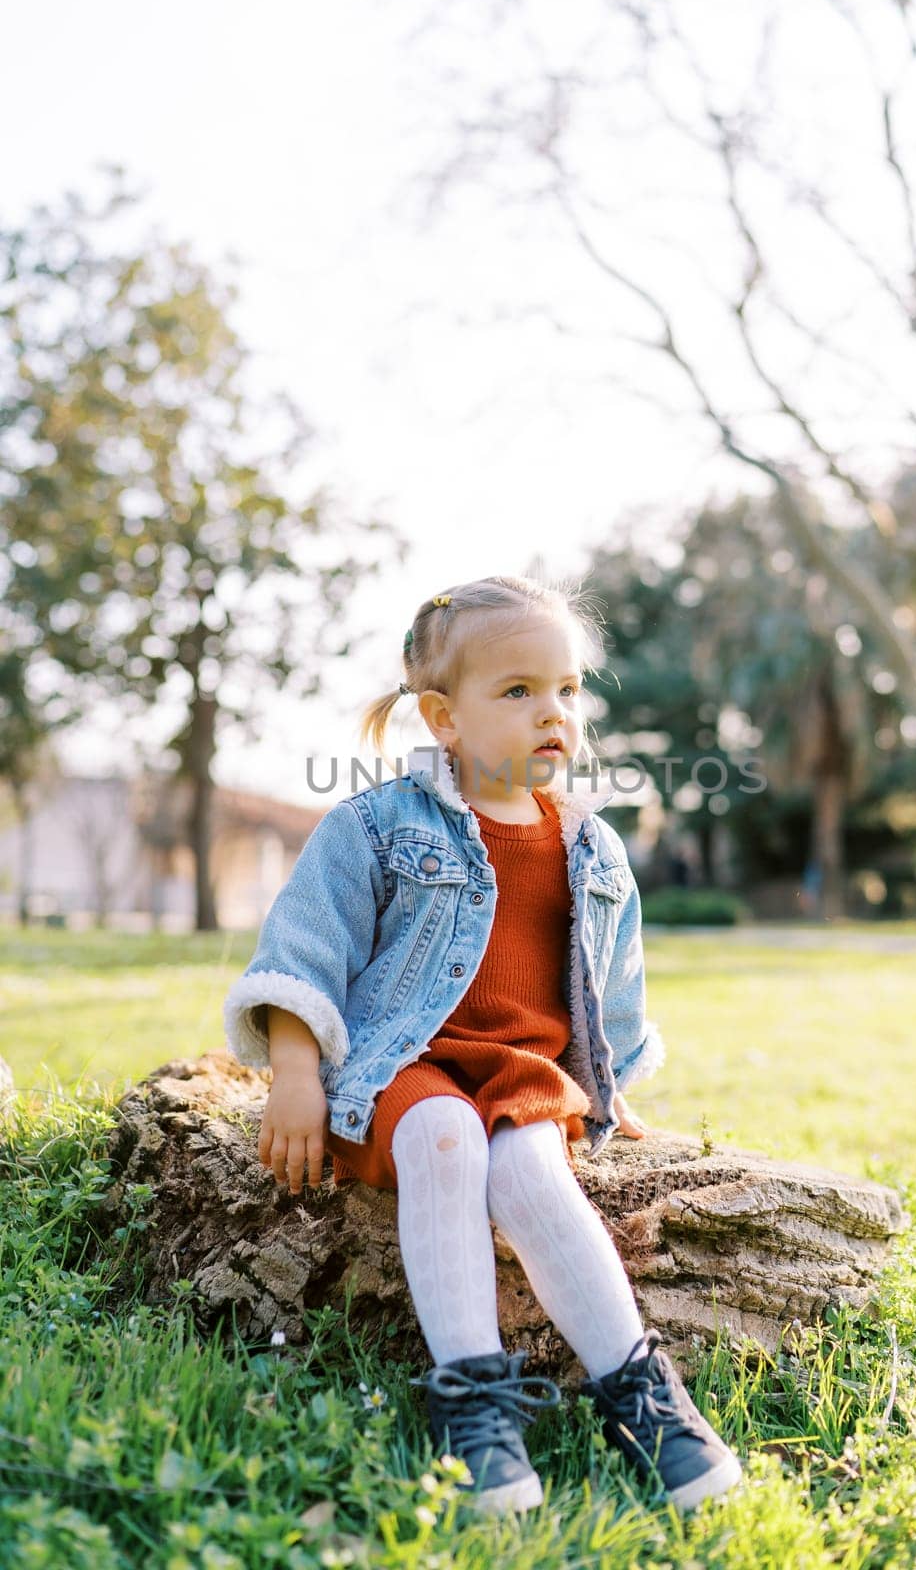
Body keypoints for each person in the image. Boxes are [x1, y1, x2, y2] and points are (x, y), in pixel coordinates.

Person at [223, 574, 743, 1517]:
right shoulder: (375, 827)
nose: (553, 713)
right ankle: (474, 1404)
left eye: (568, 690)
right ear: (442, 717)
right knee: (443, 1143)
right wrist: (295, 1073)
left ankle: (641, 1396)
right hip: (403, 1064)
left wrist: (614, 1092)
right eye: (517, 691)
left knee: (533, 1176)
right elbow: (302, 951)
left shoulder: (593, 848)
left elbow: (611, 993)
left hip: (523, 1077)